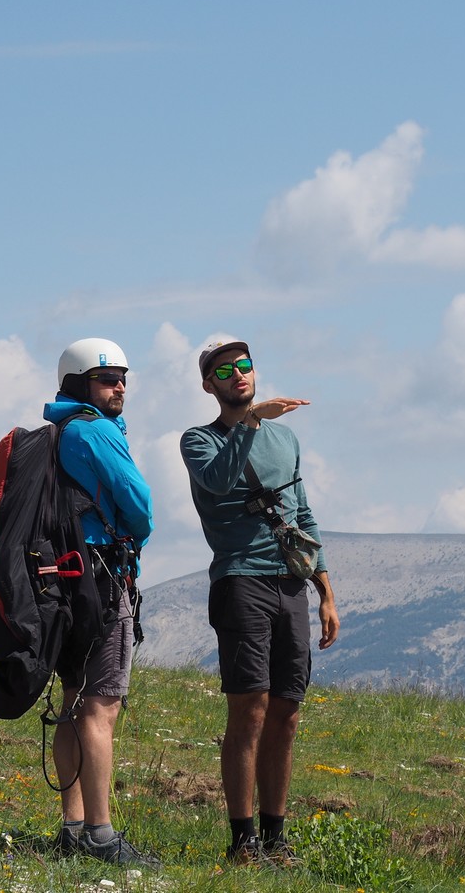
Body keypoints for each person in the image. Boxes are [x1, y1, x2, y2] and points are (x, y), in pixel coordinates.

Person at [179, 338, 341, 866]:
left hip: (291, 583)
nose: (238, 374)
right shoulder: (197, 441)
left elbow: (303, 515)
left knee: (287, 712)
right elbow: (221, 478)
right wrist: (249, 424)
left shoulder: (285, 437)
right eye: (224, 370)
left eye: (244, 365)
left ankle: (276, 836)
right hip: (240, 580)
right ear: (210, 385)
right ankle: (242, 839)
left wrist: (326, 594)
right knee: (249, 710)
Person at [45, 337, 157, 867]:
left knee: (72, 701)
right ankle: (101, 834)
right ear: (79, 383)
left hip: (66, 581)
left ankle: (72, 828)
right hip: (104, 578)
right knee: (101, 705)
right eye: (107, 378)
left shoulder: (58, 433)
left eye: (122, 378)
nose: (120, 387)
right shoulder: (96, 432)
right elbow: (140, 507)